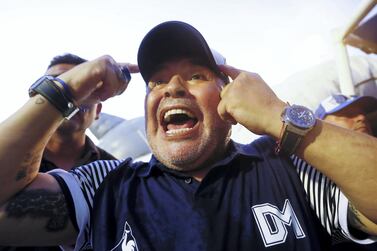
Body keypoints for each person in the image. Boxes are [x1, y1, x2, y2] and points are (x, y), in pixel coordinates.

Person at [0, 21, 377, 251]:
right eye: (158, 80)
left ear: (230, 95)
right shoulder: (106, 186)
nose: (172, 89)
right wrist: (61, 92)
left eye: (195, 75)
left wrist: (279, 117)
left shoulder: (289, 165)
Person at [0, 53, 116, 251]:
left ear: (98, 112)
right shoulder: (10, 159)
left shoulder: (116, 176)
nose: (73, 97)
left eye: (85, 88)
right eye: (57, 85)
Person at [313, 94, 377, 251]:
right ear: (322, 124)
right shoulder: (315, 175)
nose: (362, 117)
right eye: (348, 114)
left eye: (362, 113)